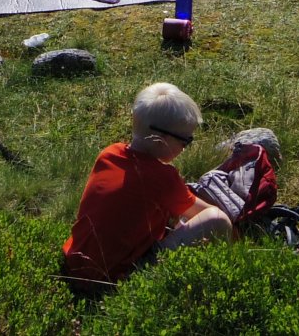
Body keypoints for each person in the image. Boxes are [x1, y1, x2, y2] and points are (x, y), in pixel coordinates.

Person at [61, 82, 233, 294]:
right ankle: (222, 270)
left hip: (74, 265)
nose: (185, 148)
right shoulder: (164, 178)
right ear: (161, 140)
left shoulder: (109, 153)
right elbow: (204, 213)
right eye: (185, 141)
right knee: (218, 219)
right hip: (114, 280)